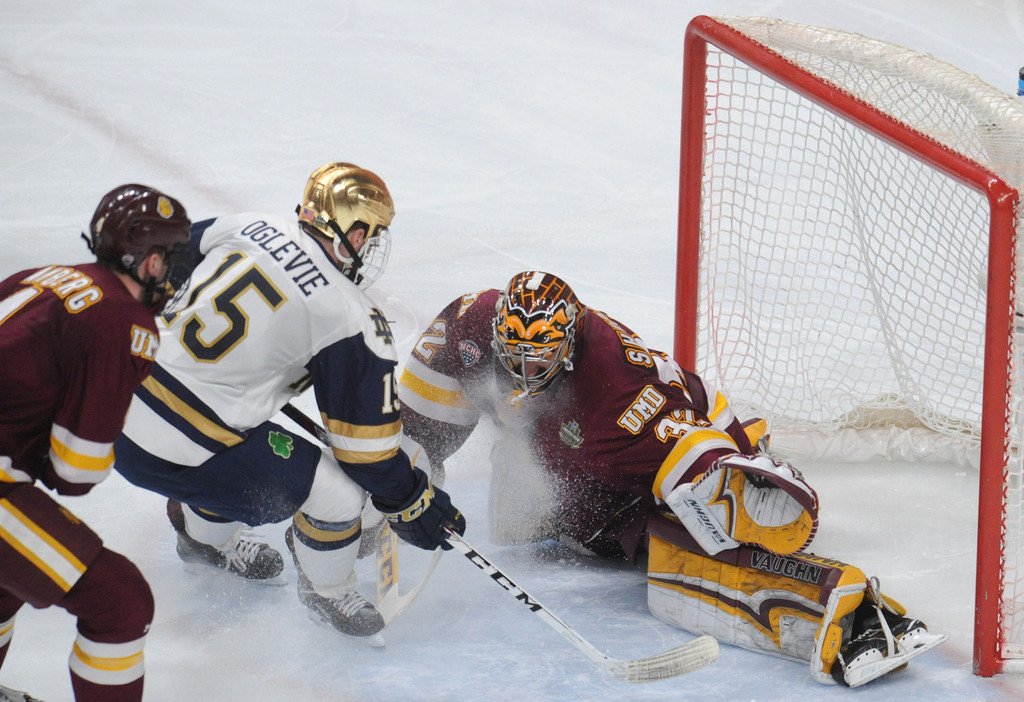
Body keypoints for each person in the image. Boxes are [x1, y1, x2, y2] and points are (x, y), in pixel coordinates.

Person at [397, 269, 945, 687]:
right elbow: (416, 421)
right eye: (512, 356)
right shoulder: (473, 322)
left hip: (662, 453)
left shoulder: (617, 395)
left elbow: (689, 447)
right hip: (576, 463)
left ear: (566, 353)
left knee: (684, 549)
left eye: (537, 363)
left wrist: (726, 482)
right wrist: (396, 485)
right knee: (516, 520)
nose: (520, 374)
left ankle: (845, 613)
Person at [113, 162, 465, 642]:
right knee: (338, 494)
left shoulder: (247, 224)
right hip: (184, 453)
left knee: (240, 441)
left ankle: (205, 542)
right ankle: (328, 592)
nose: (370, 246)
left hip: (109, 408)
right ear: (353, 231)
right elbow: (366, 454)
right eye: (371, 233)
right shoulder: (349, 315)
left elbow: (157, 264)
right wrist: (411, 501)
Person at [0, 184, 191, 702]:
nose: (173, 272)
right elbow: (75, 472)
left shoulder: (44, 276)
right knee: (120, 600)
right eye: (171, 258)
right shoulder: (122, 322)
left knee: (10, 578)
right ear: (150, 262)